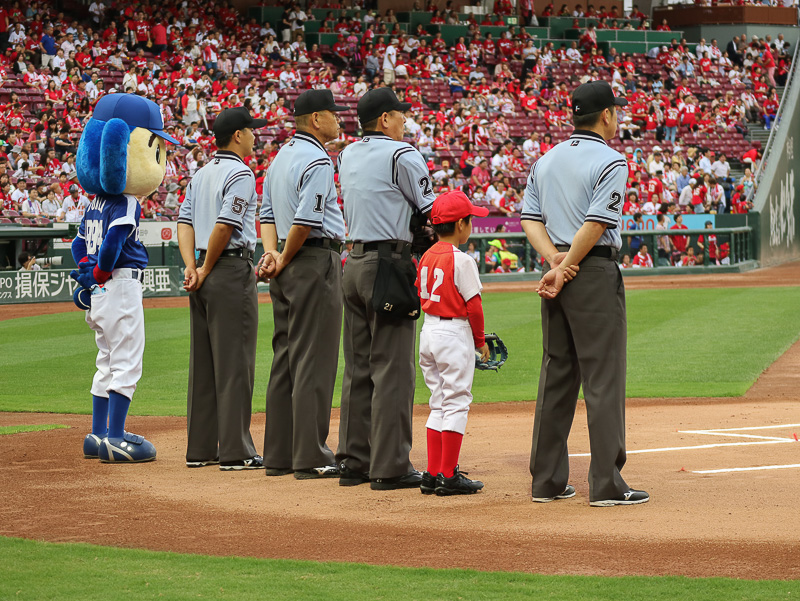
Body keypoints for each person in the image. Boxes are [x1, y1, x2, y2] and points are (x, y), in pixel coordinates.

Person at [521, 80, 649, 507]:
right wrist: (567, 266)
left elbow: (529, 218)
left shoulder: (545, 160)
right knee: (602, 377)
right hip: (591, 271)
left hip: (558, 267)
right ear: (606, 114)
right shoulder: (611, 160)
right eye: (616, 111)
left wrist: (554, 263)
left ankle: (546, 482)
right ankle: (607, 484)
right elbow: (596, 223)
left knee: (556, 374)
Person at [336, 88, 436, 491]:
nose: (404, 120)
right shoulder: (402, 154)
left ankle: (354, 461)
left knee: (358, 368)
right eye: (399, 114)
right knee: (393, 369)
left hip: (353, 262)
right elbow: (431, 210)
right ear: (384, 119)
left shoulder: (346, 154)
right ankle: (391, 466)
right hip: (389, 264)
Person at [257, 89, 348, 479]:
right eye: (333, 113)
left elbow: (266, 215)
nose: (338, 119)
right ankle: (310, 455)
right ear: (316, 119)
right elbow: (306, 221)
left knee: (285, 357)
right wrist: (284, 255)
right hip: (312, 260)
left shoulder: (279, 157)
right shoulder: (318, 159)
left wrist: (273, 254)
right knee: (315, 358)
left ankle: (279, 454)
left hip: (286, 263)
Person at [177, 107, 267, 471]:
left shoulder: (201, 173)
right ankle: (236, 451)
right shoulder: (240, 173)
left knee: (203, 364)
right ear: (238, 135)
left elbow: (184, 222)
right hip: (228, 269)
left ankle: (200, 449)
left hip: (203, 268)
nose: (255, 136)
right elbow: (225, 226)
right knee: (234, 363)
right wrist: (206, 267)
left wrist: (192, 266)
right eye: (251, 130)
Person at [417, 190, 490, 496]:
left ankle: (432, 474)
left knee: (438, 401)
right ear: (460, 224)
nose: (471, 224)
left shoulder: (426, 255)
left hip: (429, 330)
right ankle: (448, 476)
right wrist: (479, 341)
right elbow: (474, 306)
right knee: (457, 402)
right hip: (453, 332)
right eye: (470, 220)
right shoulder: (462, 260)